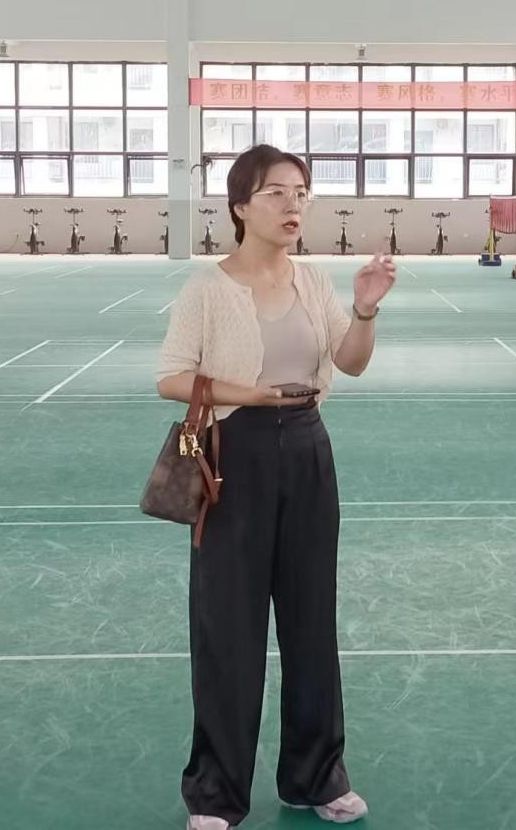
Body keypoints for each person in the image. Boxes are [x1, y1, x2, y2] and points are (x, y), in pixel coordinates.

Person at [157, 144, 396, 829]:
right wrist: (249, 395)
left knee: (310, 622)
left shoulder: (313, 282)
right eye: (276, 193)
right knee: (227, 629)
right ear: (240, 206)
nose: (293, 205)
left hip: (309, 451)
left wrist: (365, 310)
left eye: (301, 193)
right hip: (234, 456)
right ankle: (215, 795)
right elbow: (171, 377)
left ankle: (316, 778)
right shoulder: (207, 289)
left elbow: (350, 364)